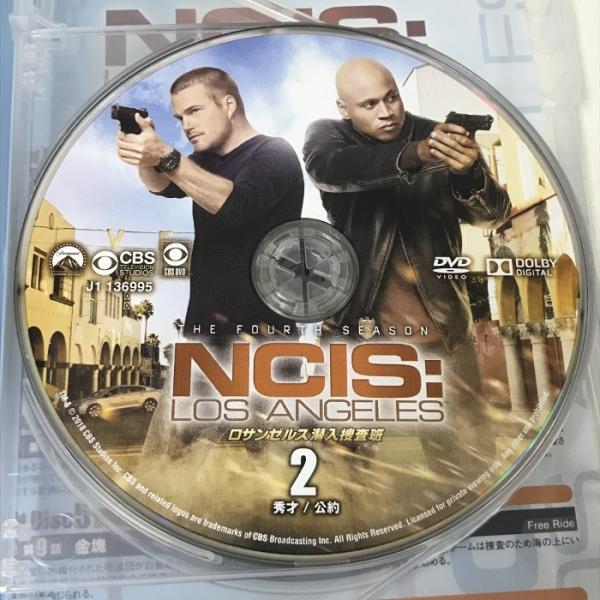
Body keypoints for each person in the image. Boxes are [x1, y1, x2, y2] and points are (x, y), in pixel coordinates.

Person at [303, 58, 512, 481]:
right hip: (354, 332)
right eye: (369, 105)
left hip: (442, 334)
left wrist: (467, 174)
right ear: (344, 109)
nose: (386, 112)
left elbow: (494, 215)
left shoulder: (440, 135)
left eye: (392, 97)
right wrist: (418, 154)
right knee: (342, 469)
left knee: (465, 467)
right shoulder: (328, 136)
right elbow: (331, 170)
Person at [116, 67, 304, 338]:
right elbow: (161, 185)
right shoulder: (204, 160)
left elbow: (237, 206)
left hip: (263, 330)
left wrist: (164, 155)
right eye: (180, 118)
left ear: (228, 105)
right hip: (205, 327)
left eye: (194, 111)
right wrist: (146, 159)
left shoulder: (275, 152)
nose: (186, 125)